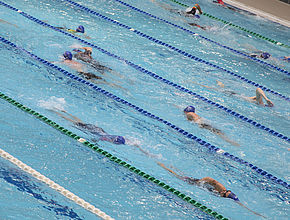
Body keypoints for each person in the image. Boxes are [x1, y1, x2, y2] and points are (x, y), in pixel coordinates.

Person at [157, 162, 265, 218]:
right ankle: (164, 166)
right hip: (199, 183)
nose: (223, 195)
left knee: (183, 176)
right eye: (224, 194)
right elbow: (210, 179)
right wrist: (200, 182)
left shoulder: (227, 195)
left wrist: (253, 212)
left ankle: (170, 167)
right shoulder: (221, 188)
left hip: (200, 185)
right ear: (225, 193)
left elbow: (239, 203)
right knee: (179, 176)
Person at [192, 81, 274, 107]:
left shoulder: (257, 101)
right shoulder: (260, 102)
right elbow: (258, 89)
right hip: (234, 95)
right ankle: (197, 84)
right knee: (215, 89)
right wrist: (266, 99)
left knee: (219, 88)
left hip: (234, 95)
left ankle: (220, 83)